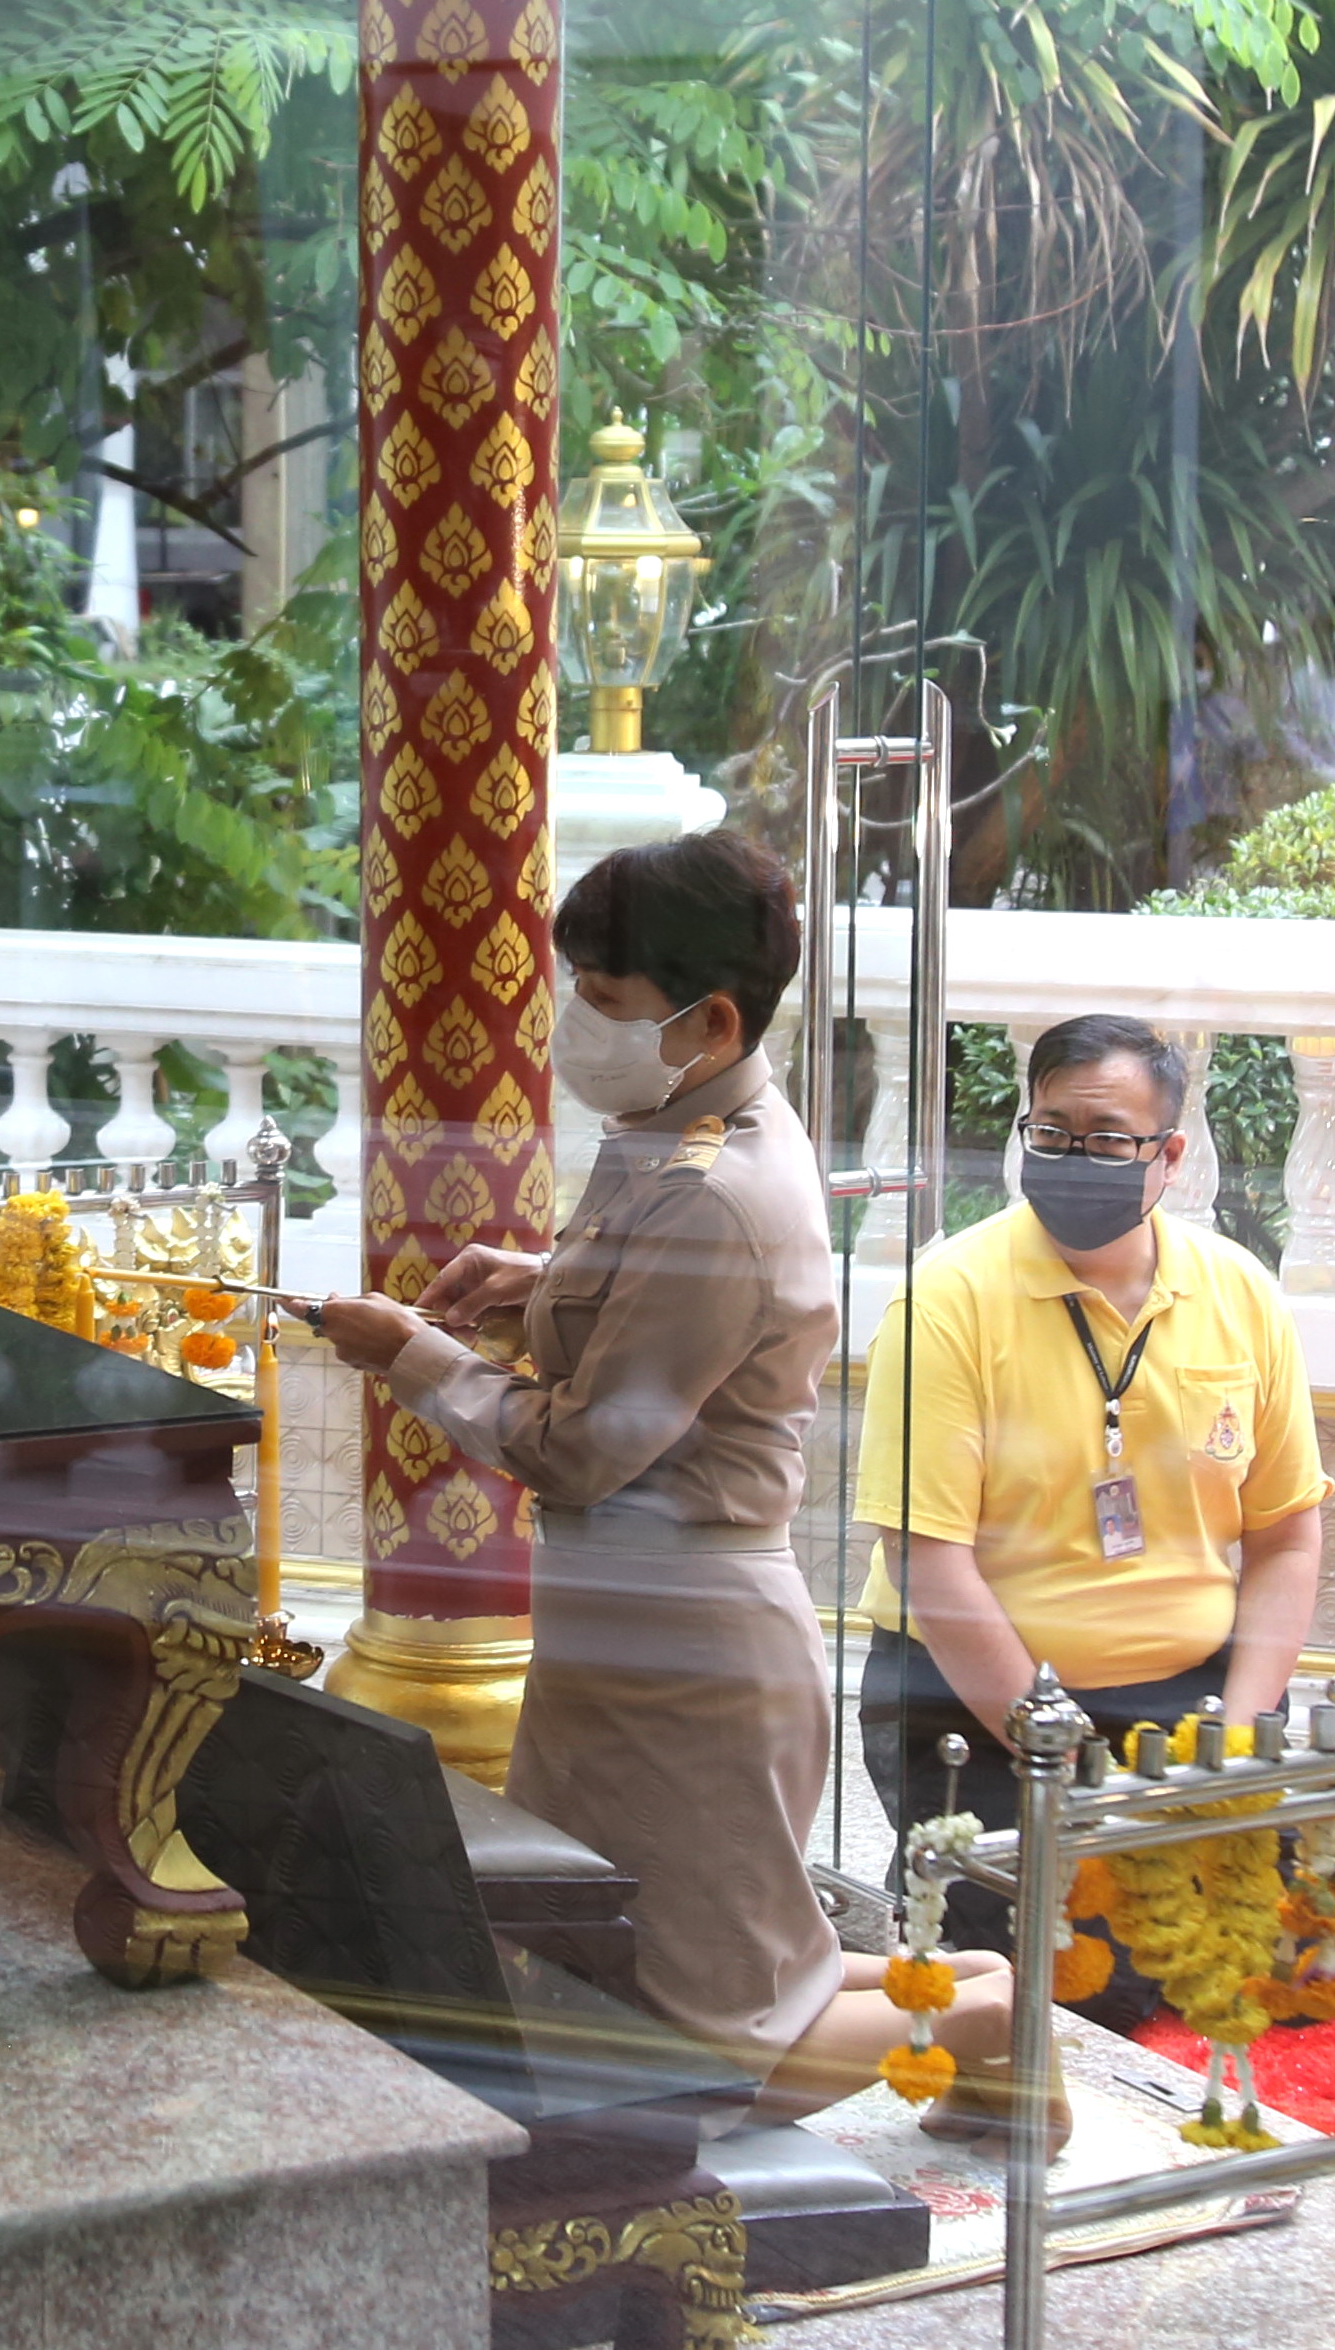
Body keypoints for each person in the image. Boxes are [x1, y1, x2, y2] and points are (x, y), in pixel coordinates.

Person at [315, 830, 1021, 2131]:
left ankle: (989, 2016)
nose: (574, 1022)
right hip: (626, 1628)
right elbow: (664, 1317)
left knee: (710, 2049)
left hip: (688, 1652)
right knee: (640, 1969)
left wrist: (411, 1356)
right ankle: (969, 1990)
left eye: (604, 998)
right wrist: (541, 1282)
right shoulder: (677, 1125)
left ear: (711, 1020)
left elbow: (588, 1445)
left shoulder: (716, 1186)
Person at [853, 1013, 1329, 1992]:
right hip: (983, 1710)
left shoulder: (1239, 1293)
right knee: (1064, 1990)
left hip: (1189, 1706)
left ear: (1169, 1156)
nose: (1075, 1158)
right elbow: (927, 1559)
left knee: (1261, 1968)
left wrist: (1233, 1748)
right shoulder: (946, 1299)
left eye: (1109, 1139)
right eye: (1053, 1132)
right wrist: (1060, 1765)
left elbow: (1286, 1534)